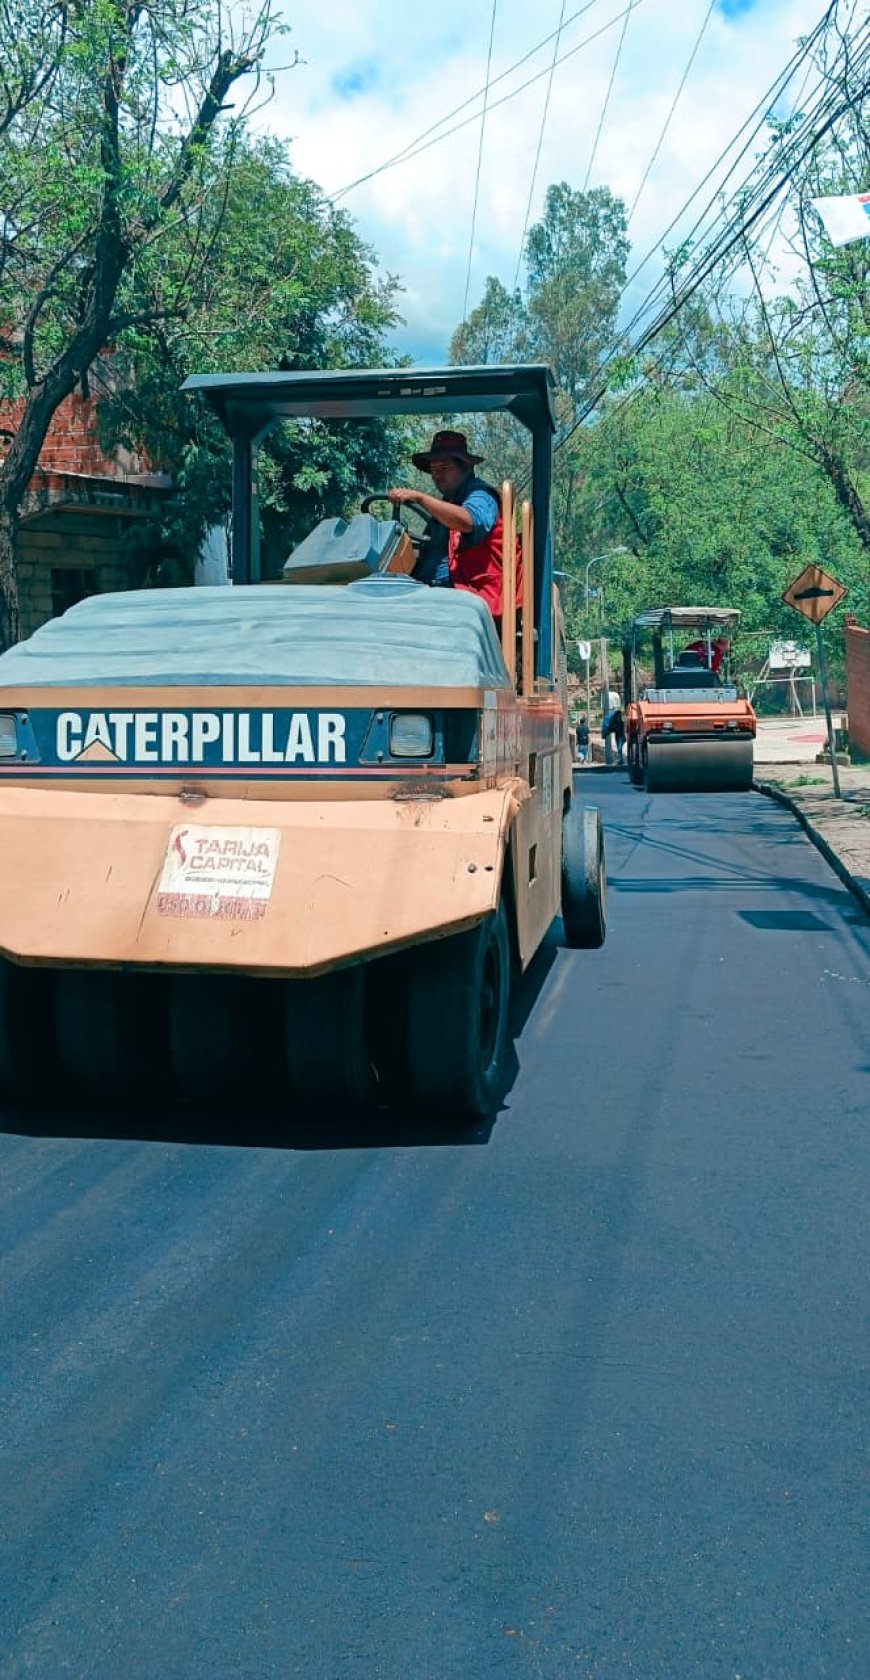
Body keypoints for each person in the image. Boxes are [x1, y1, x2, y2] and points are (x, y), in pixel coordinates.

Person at [388, 430, 520, 619]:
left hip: (471, 599)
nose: (437, 475)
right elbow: (431, 550)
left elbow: (468, 521)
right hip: (436, 596)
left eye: (444, 467)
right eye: (433, 470)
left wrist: (420, 498)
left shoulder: (481, 495)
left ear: (466, 467)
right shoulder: (447, 504)